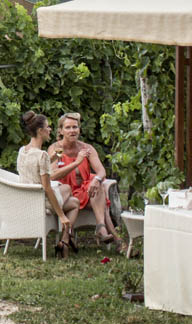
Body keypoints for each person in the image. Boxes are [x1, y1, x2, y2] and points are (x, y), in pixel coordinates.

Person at [49, 112, 123, 250]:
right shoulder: (57, 149)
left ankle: (101, 228)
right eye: (68, 127)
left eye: (75, 127)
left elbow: (101, 171)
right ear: (60, 131)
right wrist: (76, 163)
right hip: (66, 193)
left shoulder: (86, 148)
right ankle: (117, 240)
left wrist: (97, 179)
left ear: (79, 129)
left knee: (97, 186)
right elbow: (52, 176)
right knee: (104, 206)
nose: (72, 131)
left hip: (85, 190)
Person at [17, 111, 76, 258]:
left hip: (26, 198)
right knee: (69, 191)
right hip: (40, 202)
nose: (50, 130)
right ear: (40, 131)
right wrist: (62, 216)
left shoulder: (23, 151)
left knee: (74, 202)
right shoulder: (41, 155)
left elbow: (35, 167)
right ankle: (65, 240)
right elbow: (47, 187)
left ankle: (65, 241)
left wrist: (53, 156)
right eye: (48, 127)